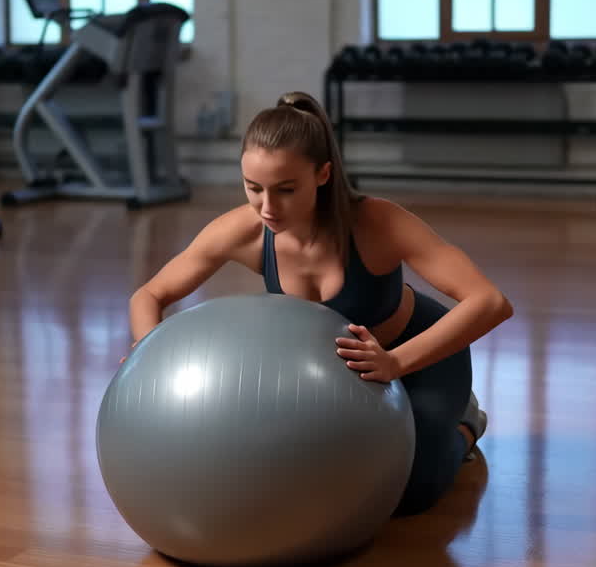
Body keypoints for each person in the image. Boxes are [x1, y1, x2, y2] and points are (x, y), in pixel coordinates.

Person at [126, 91, 513, 516]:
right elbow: (149, 295)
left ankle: (466, 423)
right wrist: (150, 352)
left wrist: (396, 363)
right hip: (329, 379)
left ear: (323, 174)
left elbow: (490, 302)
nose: (267, 207)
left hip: (419, 361)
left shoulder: (376, 223)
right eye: (253, 188)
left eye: (286, 190)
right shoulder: (246, 230)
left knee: (411, 491)